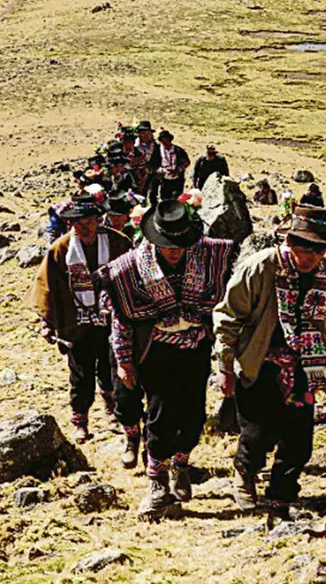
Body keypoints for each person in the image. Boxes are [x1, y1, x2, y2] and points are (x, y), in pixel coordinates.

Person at [99, 200, 236, 518]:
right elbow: (122, 317)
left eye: (180, 245)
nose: (174, 251)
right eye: (167, 246)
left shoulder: (208, 258)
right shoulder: (131, 268)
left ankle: (180, 463)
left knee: (194, 415)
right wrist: (124, 359)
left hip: (196, 346)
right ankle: (157, 481)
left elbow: (221, 301)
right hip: (156, 350)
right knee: (160, 414)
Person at [213, 207, 326, 515]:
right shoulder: (260, 268)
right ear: (289, 240)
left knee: (300, 439)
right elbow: (228, 316)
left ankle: (281, 493)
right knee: (258, 432)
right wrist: (225, 365)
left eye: (319, 248)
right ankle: (245, 474)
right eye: (304, 246)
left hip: (305, 366)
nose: (311, 255)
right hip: (259, 363)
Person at [28, 193, 134, 444]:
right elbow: (47, 287)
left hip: (113, 321)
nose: (84, 228)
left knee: (114, 369)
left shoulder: (119, 242)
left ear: (98, 219)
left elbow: (133, 277)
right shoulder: (60, 249)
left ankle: (114, 412)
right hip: (77, 322)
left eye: (88, 222)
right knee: (80, 374)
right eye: (78, 223)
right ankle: (81, 421)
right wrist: (47, 323)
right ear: (70, 223)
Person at [147, 130, 190, 204]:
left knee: (176, 197)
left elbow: (186, 162)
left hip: (177, 179)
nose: (165, 143)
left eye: (167, 141)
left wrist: (178, 170)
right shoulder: (157, 151)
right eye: (163, 141)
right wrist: (161, 171)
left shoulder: (178, 150)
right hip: (163, 179)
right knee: (165, 198)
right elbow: (152, 165)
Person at [134, 120, 157, 198]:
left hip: (147, 174)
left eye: (147, 132)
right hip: (133, 173)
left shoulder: (155, 146)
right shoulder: (134, 145)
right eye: (143, 132)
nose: (145, 135)